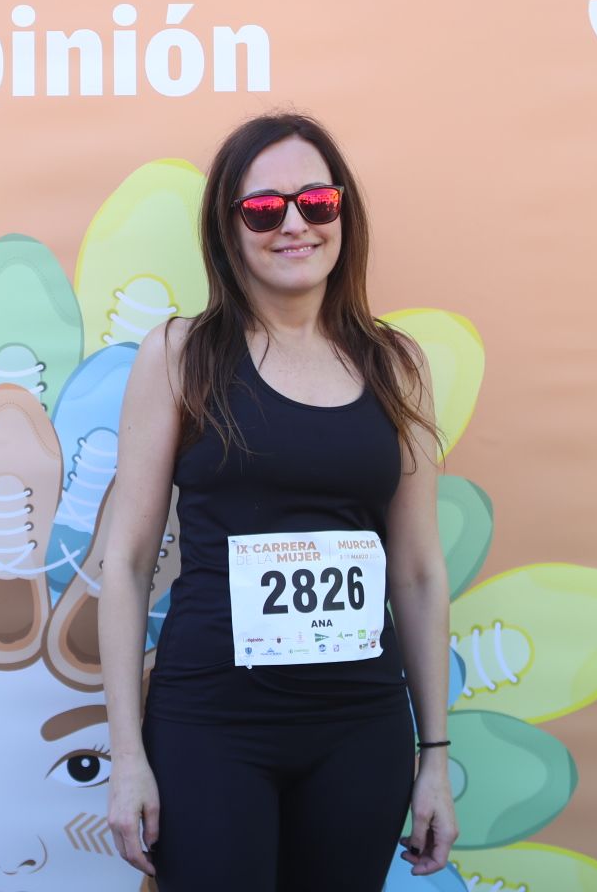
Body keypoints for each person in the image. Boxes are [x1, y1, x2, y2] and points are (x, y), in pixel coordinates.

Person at [99, 112, 458, 891]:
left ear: (342, 215)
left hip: (360, 731)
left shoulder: (398, 366)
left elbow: (421, 573)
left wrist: (435, 757)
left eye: (315, 203)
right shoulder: (181, 356)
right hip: (211, 727)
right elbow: (125, 563)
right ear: (229, 230)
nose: (293, 223)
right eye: (263, 209)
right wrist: (127, 757)